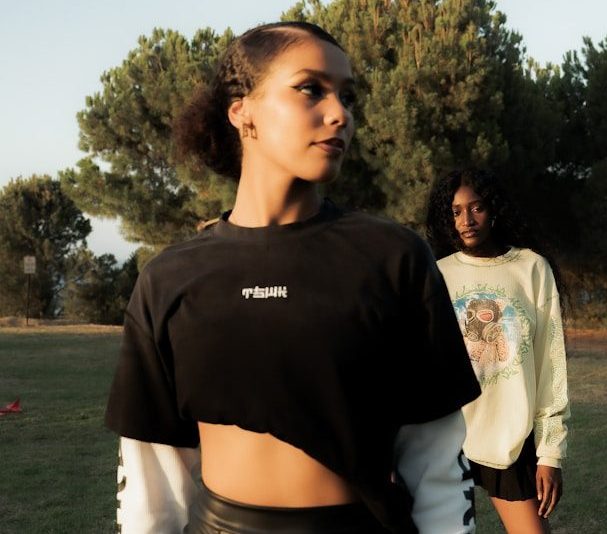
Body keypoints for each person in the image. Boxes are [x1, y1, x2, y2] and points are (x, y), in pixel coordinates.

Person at [104, 22, 481, 534]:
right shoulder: (170, 278)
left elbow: (436, 459)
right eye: (311, 89)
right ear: (242, 110)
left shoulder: (393, 259)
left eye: (347, 96)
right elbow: (154, 476)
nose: (339, 114)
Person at [425, 169, 570, 534]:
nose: (466, 220)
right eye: (456, 212)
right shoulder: (436, 273)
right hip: (445, 439)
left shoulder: (531, 268)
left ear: (495, 210)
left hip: (510, 436)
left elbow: (550, 364)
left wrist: (550, 452)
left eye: (476, 208)